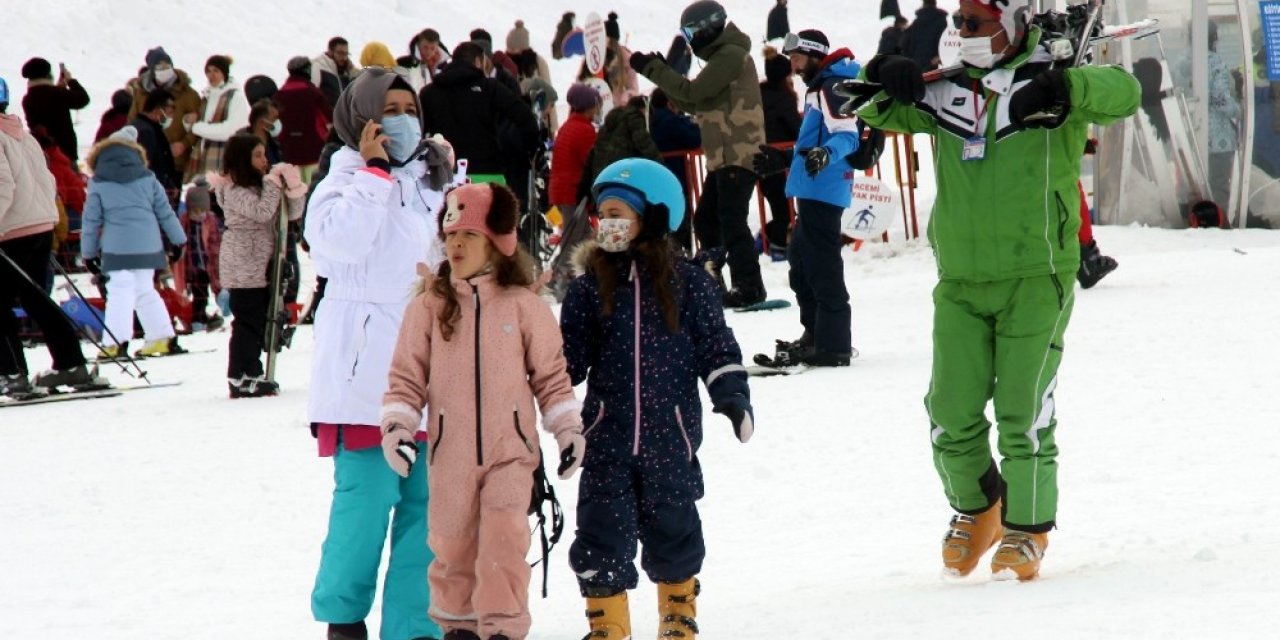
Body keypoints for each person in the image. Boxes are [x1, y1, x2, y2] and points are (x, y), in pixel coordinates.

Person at [857, 0, 1140, 580]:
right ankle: (977, 508)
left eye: (974, 23)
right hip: (961, 276)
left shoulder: (1052, 77)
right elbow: (868, 107)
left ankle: (1028, 528)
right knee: (949, 410)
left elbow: (1125, 94)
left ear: (1011, 24)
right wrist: (882, 69)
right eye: (957, 24)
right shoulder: (948, 88)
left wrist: (1068, 85)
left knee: (1022, 411)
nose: (962, 33)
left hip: (1036, 272)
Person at [379, 182, 583, 640]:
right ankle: (460, 629)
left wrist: (568, 431)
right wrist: (397, 428)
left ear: (497, 242)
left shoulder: (525, 307)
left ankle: (503, 632)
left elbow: (551, 379)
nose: (455, 244)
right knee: (452, 547)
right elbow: (406, 379)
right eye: (449, 235)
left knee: (504, 538)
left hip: (511, 451)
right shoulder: (428, 308)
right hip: (449, 456)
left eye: (468, 235)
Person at [559, 158, 752, 640]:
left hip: (672, 435)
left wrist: (731, 393)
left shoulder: (690, 285)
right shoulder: (587, 290)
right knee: (601, 529)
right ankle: (607, 624)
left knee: (674, 526)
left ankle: (678, 612)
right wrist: (540, 392)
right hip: (606, 435)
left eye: (620, 211)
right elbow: (567, 362)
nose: (609, 223)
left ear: (655, 218)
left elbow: (716, 345)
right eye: (603, 213)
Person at [305, 67, 454, 640]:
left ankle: (416, 629)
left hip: (429, 373)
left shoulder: (429, 179)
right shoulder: (342, 178)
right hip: (363, 380)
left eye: (410, 108)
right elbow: (337, 244)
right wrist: (373, 173)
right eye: (388, 108)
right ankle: (344, 620)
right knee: (362, 512)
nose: (402, 119)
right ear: (361, 118)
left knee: (427, 517)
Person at [630, 0, 768, 307]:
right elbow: (695, 104)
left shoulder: (730, 55)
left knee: (732, 222)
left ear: (707, 28)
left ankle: (750, 286)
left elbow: (692, 93)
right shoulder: (722, 57)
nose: (691, 40)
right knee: (707, 220)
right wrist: (662, 73)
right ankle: (712, 284)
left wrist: (655, 69)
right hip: (724, 157)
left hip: (738, 154)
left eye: (692, 32)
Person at [754, 30, 860, 368]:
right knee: (801, 265)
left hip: (824, 191)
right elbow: (814, 141)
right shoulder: (820, 88)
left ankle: (834, 345)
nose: (794, 66)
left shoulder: (832, 86)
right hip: (813, 187)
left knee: (821, 266)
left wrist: (825, 156)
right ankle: (815, 334)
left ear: (814, 55)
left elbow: (848, 136)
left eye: (798, 58)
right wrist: (785, 160)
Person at [0, 98, 107, 398]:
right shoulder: (24, 134)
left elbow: (2, 184)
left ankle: (11, 374)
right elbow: (47, 180)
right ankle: (71, 364)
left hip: (10, 230)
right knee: (37, 300)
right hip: (39, 225)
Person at [207, 134, 304, 397]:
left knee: (259, 320)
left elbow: (288, 215)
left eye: (264, 154)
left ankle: (251, 370)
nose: (264, 161)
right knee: (247, 321)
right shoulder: (233, 189)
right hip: (244, 261)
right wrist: (273, 183)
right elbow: (262, 212)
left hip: (263, 261)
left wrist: (293, 190)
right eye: (258, 155)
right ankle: (241, 374)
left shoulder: (260, 186)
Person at [79, 126, 188, 359]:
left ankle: (114, 343)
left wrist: (88, 254)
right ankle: (162, 337)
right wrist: (178, 240)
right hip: (149, 243)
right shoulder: (148, 178)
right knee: (144, 289)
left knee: (119, 290)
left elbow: (91, 221)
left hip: (117, 245)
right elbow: (165, 212)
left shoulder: (98, 181)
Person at [419, 42, 538, 184]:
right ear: (478, 61)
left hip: (445, 176)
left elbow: (418, 131)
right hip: (488, 175)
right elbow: (525, 117)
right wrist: (528, 151)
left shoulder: (429, 92)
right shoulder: (490, 88)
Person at [127, 47, 203, 183]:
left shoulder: (188, 93)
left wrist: (184, 144)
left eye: (167, 65)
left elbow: (199, 125)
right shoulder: (142, 93)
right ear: (152, 70)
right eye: (159, 66)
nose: (164, 69)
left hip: (176, 160)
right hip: (147, 158)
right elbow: (132, 120)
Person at [758, 49, 802, 258]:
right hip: (779, 158)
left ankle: (768, 240)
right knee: (784, 208)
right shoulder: (783, 97)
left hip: (761, 157)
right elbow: (796, 127)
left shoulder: (758, 94)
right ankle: (777, 247)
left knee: (778, 205)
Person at [19, 57, 91, 166]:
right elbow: (83, 99)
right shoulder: (57, 94)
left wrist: (59, 89)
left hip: (41, 153)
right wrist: (71, 81)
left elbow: (48, 100)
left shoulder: (28, 98)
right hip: (65, 152)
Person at [189, 55, 250, 179]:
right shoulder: (207, 96)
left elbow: (231, 130)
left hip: (227, 157)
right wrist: (188, 122)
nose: (211, 75)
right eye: (208, 71)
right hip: (206, 158)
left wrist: (196, 127)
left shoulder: (235, 96)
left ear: (224, 73)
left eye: (216, 71)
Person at [177, 178, 224, 331]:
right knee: (200, 295)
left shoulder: (211, 221)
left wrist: (216, 259)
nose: (199, 215)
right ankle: (198, 319)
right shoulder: (184, 222)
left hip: (208, 264)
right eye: (195, 212)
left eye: (202, 211)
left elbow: (215, 242)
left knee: (212, 290)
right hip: (193, 267)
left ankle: (203, 317)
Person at [276, 56, 333, 182]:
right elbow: (329, 119)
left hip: (288, 153)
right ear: (307, 70)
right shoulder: (313, 93)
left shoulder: (279, 94)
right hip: (313, 151)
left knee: (294, 193)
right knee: (313, 191)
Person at [128, 89, 184, 199]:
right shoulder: (145, 131)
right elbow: (145, 166)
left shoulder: (148, 128)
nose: (172, 115)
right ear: (158, 109)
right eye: (170, 109)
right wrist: (166, 184)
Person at [312, 37, 361, 109]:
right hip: (326, 118)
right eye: (340, 53)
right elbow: (311, 95)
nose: (344, 58)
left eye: (346, 54)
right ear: (330, 51)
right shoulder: (318, 67)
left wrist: (353, 72)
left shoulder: (346, 70)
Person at [902, 0, 950, 71]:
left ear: (923, 4)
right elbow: (943, 39)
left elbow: (906, 43)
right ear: (935, 4)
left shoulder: (916, 22)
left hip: (915, 61)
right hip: (933, 60)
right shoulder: (941, 20)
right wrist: (940, 55)